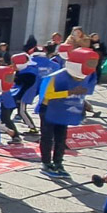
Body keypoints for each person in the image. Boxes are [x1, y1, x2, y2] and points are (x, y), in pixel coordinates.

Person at [37, 47, 98, 178]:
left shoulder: (88, 76)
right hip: (49, 109)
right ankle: (46, 163)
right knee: (47, 137)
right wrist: (69, 93)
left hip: (64, 110)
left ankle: (58, 162)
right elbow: (46, 95)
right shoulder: (56, 77)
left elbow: (87, 90)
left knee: (61, 137)